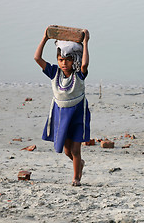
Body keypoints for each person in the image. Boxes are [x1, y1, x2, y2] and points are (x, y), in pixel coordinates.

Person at [34, 27, 90, 186]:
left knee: (75, 150)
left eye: (67, 60)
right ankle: (79, 164)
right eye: (61, 60)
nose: (64, 63)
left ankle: (76, 178)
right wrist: (45, 38)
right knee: (67, 151)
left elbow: (85, 63)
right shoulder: (54, 72)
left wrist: (85, 42)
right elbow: (37, 58)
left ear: (74, 61)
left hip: (77, 116)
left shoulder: (79, 74)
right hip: (60, 115)